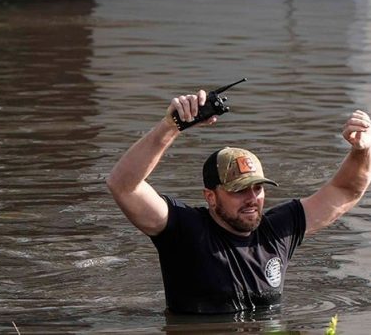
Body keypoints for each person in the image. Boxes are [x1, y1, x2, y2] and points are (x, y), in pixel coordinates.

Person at [106, 89, 371, 314]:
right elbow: (123, 185)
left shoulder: (278, 231)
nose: (252, 198)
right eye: (239, 190)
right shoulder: (184, 231)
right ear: (210, 197)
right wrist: (170, 127)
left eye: (257, 188)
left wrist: (362, 151)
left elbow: (344, 190)